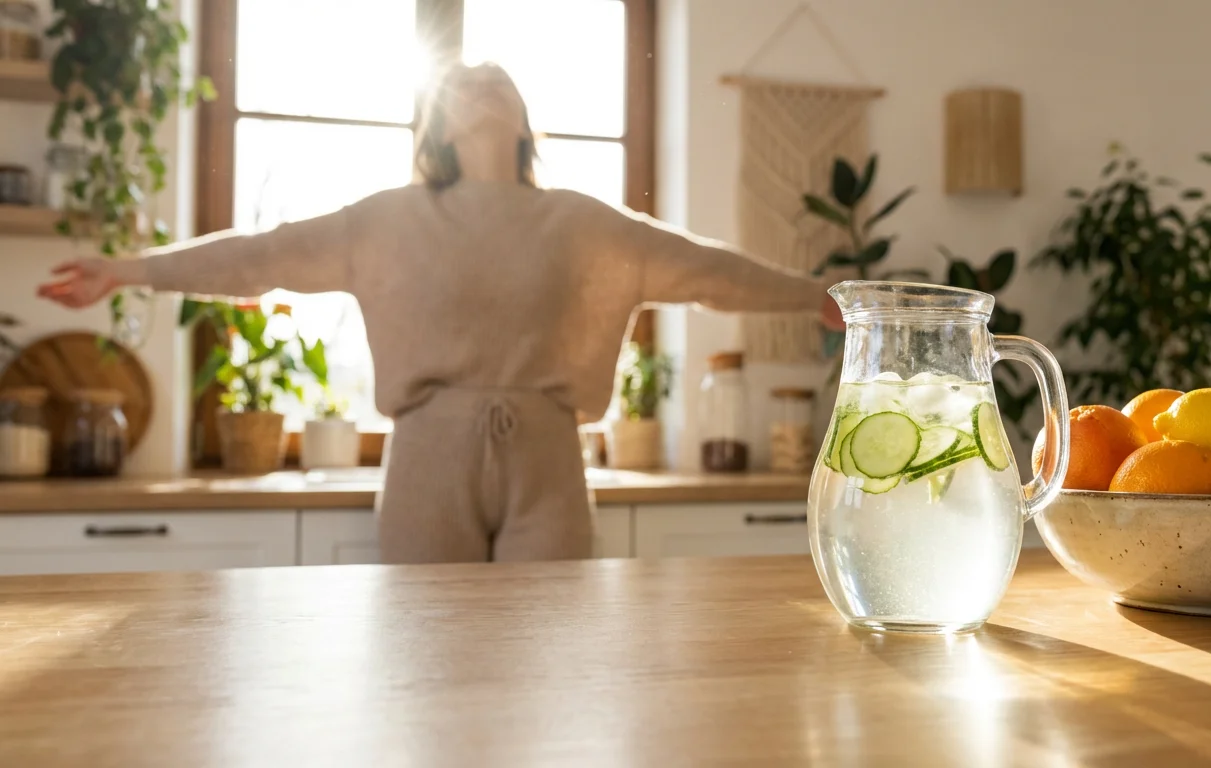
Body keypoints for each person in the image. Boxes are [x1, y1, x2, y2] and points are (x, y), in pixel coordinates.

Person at [38, 63, 841, 564]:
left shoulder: (586, 224)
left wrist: (813, 294)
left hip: (550, 464)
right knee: (426, 662)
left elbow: (708, 273)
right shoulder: (387, 219)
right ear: (436, 128)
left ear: (527, 122)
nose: (482, 79)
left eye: (500, 78)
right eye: (461, 81)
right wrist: (129, 271)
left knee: (547, 656)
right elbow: (261, 255)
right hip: (425, 461)